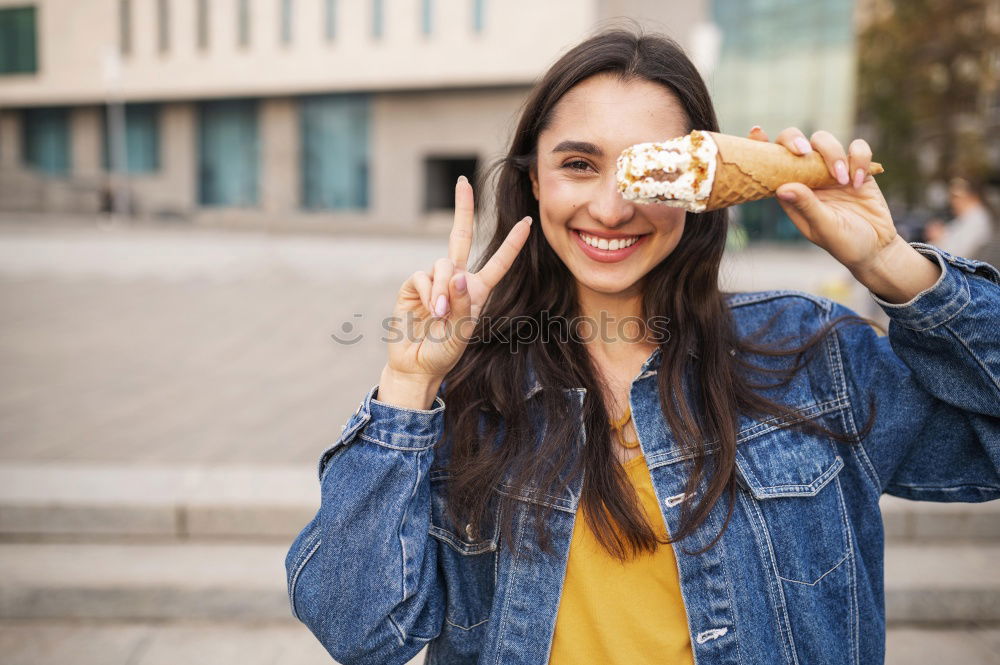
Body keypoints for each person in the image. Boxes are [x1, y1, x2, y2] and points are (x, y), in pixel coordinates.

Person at [285, 28, 1000, 665]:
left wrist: (894, 267)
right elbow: (360, 631)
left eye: (648, 170)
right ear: (536, 180)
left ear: (701, 193)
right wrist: (408, 384)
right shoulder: (470, 387)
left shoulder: (811, 355)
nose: (610, 207)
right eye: (578, 164)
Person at [924, 177, 994, 260]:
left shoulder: (977, 218)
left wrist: (939, 238)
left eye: (956, 197)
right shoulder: (967, 217)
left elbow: (958, 255)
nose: (952, 201)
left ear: (972, 196)